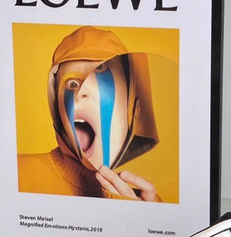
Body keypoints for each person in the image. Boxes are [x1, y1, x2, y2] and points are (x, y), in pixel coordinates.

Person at [18, 26, 161, 201]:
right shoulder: (18, 175)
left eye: (100, 70)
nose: (81, 93)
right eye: (72, 84)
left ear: (132, 105)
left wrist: (147, 215)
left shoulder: (148, 202)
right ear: (58, 111)